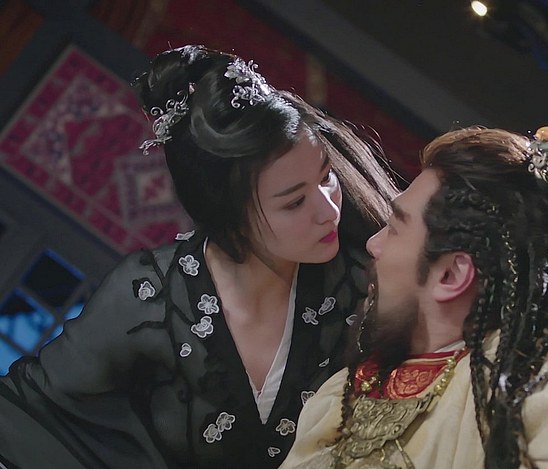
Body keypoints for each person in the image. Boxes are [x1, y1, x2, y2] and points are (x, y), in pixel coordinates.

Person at [0, 45, 399, 468]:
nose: (328, 208)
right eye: (294, 202)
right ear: (230, 217)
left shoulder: (363, 281)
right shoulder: (149, 298)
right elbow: (28, 406)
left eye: (326, 177)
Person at [281, 126, 548, 468]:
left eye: (394, 229)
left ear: (451, 275)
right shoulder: (341, 393)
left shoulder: (533, 379)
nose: (373, 245)